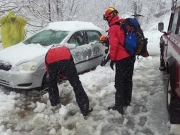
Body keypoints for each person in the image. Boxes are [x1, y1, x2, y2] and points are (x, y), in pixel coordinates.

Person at [103, 7, 136, 114]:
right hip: (131, 56)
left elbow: (114, 46)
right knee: (128, 80)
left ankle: (119, 106)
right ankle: (127, 102)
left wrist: (112, 59)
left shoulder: (113, 28)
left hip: (122, 59)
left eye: (106, 18)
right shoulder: (123, 24)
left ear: (109, 17)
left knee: (119, 83)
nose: (107, 20)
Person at [45, 45, 92, 116]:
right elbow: (71, 63)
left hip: (52, 62)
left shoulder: (48, 53)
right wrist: (70, 76)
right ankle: (85, 108)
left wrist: (53, 78)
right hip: (66, 60)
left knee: (52, 85)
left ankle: (55, 105)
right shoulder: (65, 49)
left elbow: (48, 69)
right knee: (76, 84)